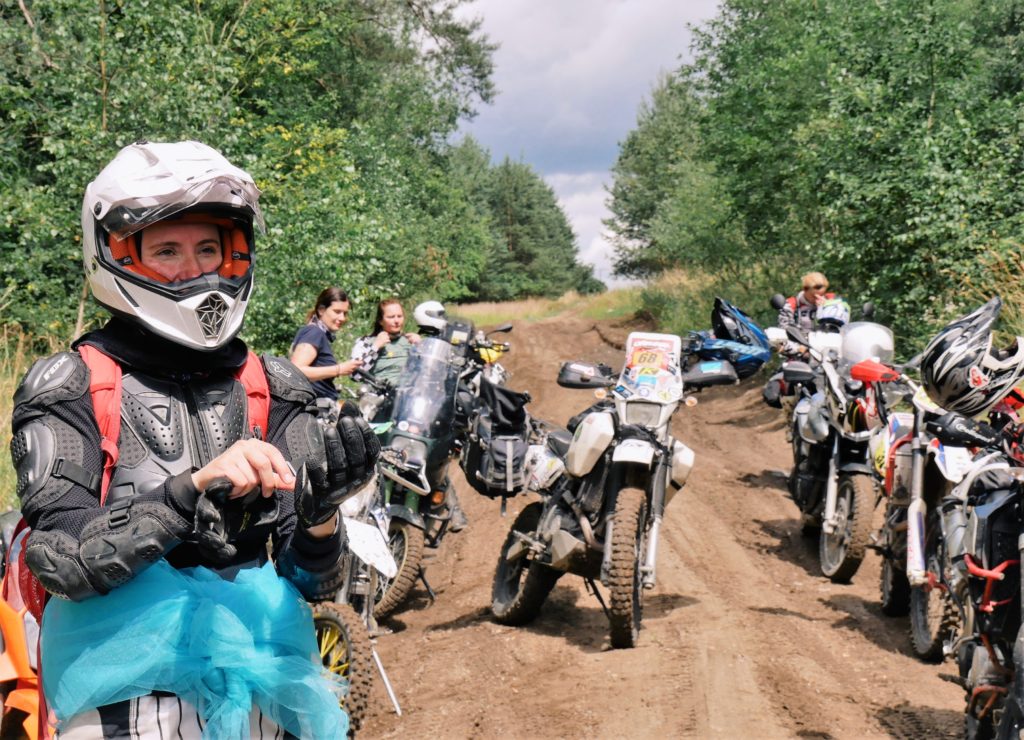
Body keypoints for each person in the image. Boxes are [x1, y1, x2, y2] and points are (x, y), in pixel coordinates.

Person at [9, 140, 379, 738]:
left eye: (209, 247)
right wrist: (189, 490)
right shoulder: (72, 383)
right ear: (116, 254)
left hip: (266, 673)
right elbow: (63, 561)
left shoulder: (273, 384)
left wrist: (320, 516)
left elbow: (315, 583)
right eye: (167, 251)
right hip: (122, 686)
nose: (196, 268)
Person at [291, 287, 362, 402]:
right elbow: (297, 370)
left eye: (345, 313)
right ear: (321, 310)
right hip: (317, 410)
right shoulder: (314, 332)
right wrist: (339, 369)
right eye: (337, 312)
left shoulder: (314, 332)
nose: (342, 318)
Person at [350, 298, 421, 385]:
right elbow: (355, 375)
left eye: (399, 316)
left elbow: (427, 372)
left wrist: (421, 347)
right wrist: (375, 347)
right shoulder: (366, 342)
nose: (396, 321)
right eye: (391, 317)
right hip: (378, 395)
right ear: (380, 321)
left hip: (407, 394)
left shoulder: (410, 341)